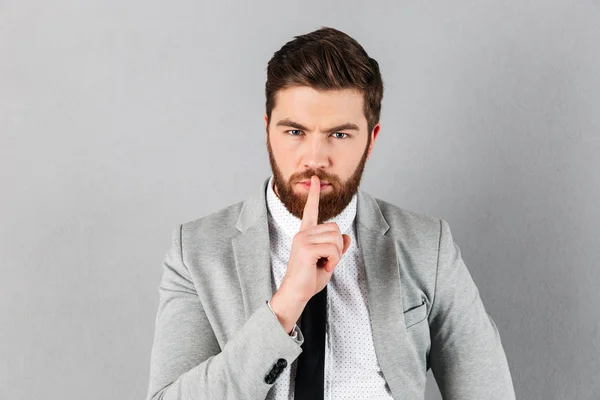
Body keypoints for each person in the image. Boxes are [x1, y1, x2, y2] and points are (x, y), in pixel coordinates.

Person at [146, 26, 515, 400]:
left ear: (370, 140)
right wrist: (286, 304)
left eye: (339, 135)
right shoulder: (196, 251)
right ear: (268, 132)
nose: (315, 159)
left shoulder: (427, 246)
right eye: (294, 132)